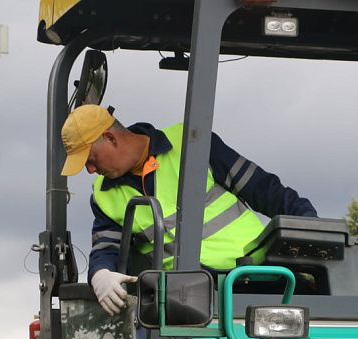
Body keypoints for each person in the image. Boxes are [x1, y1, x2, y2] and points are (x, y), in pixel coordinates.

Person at [61, 105, 318, 315]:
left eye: (90, 160)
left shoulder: (191, 143)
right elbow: (108, 250)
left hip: (258, 279)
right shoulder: (104, 195)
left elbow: (264, 189)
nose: (91, 170)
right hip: (188, 304)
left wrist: (311, 228)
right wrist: (101, 275)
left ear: (110, 138)